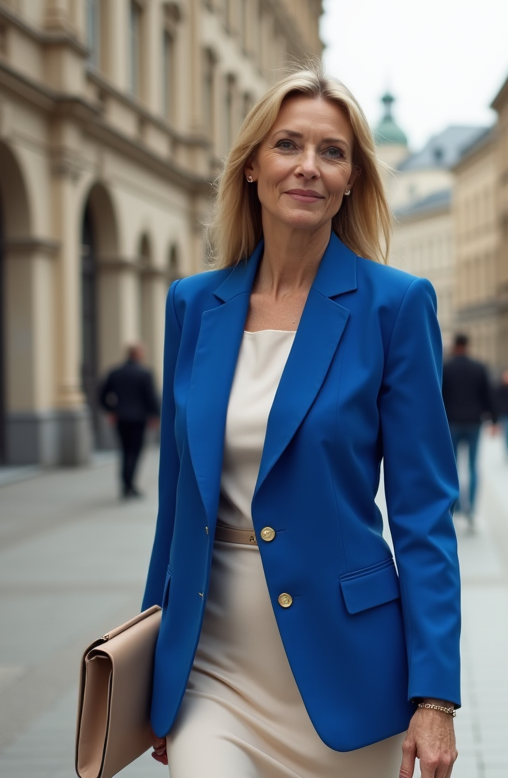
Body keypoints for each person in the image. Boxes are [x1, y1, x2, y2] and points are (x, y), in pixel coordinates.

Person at [140, 66, 460, 778]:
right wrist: (152, 674)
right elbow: (174, 503)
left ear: (352, 180)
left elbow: (423, 513)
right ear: (253, 165)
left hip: (346, 674)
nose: (308, 167)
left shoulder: (394, 306)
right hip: (210, 671)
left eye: (333, 152)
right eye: (288, 145)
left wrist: (435, 694)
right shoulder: (193, 306)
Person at [441, 333, 493, 525]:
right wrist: (494, 419)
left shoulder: (445, 368)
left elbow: (440, 396)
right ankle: (471, 507)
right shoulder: (478, 367)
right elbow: (487, 394)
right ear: (468, 345)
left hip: (452, 422)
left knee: (452, 466)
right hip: (474, 422)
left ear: (455, 347)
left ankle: (457, 506)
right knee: (472, 466)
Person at [99, 342, 160, 499]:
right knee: (135, 451)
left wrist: (111, 410)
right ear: (138, 354)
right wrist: (155, 415)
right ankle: (130, 485)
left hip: (121, 418)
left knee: (125, 450)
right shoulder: (144, 373)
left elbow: (102, 395)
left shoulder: (115, 372)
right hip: (139, 419)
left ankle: (125, 484)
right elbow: (150, 396)